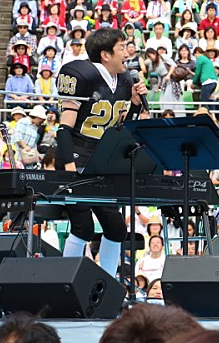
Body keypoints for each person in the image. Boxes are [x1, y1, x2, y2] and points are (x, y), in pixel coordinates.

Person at [55, 28, 148, 278]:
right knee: (82, 226)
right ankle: (65, 281)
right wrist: (69, 170)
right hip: (77, 158)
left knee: (116, 227)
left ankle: (108, 284)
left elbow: (123, 127)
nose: (128, 53)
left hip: (102, 161)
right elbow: (64, 128)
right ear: (105, 55)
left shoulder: (126, 81)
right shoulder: (81, 74)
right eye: (122, 48)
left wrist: (136, 106)